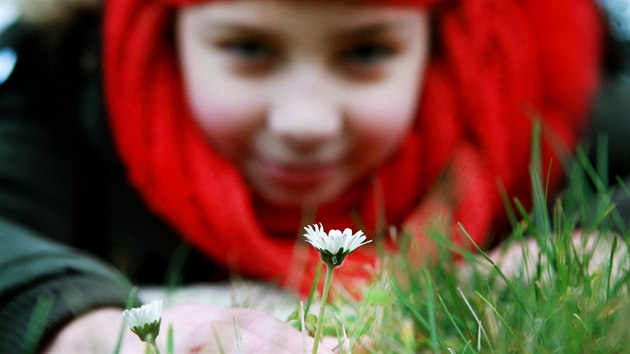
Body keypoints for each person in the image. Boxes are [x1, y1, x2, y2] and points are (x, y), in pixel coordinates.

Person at [0, 0, 608, 352]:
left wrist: (597, 241)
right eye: (248, 48)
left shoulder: (537, 99)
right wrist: (85, 324)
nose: (304, 121)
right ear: (170, 27)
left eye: (366, 52)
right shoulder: (66, 85)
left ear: (438, 36)